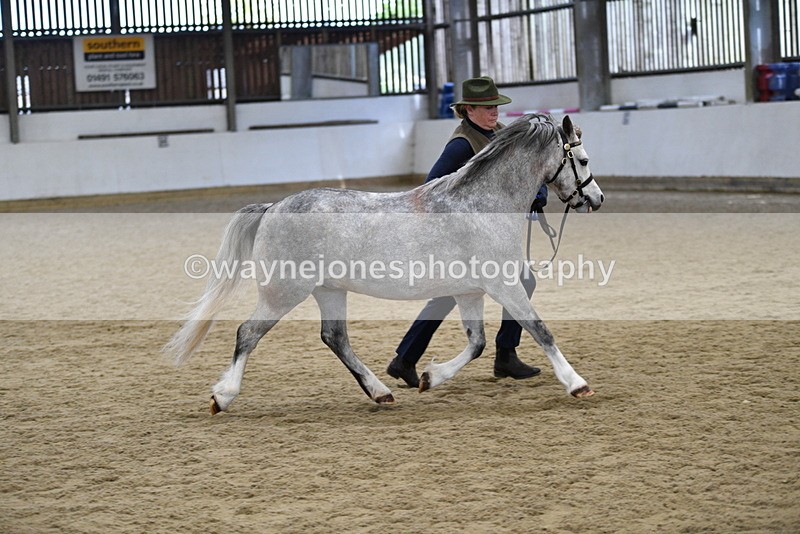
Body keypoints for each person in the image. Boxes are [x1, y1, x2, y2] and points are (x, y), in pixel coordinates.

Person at [386, 76, 548, 388]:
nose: (494, 112)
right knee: (511, 281)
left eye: (496, 106)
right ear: (468, 110)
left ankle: (405, 359)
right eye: (487, 107)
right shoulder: (462, 144)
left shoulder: (501, 134)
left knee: (495, 285)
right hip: (461, 235)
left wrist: (536, 195)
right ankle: (504, 355)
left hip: (487, 235)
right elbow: (432, 187)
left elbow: (523, 172)